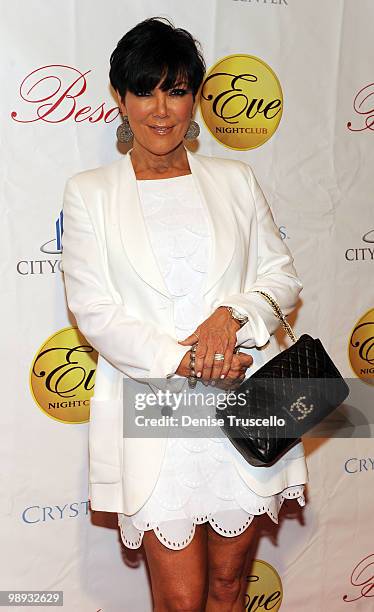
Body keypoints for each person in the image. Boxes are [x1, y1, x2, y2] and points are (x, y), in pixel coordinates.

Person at [62, 16, 308, 612]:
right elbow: (94, 311)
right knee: (179, 601)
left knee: (228, 589)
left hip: (249, 398)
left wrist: (233, 316)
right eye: (144, 90)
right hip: (158, 408)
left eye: (176, 89)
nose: (161, 109)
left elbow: (281, 278)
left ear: (196, 97)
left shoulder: (236, 179)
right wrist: (188, 361)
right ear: (120, 98)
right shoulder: (89, 192)